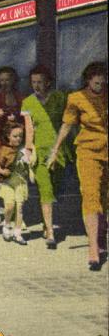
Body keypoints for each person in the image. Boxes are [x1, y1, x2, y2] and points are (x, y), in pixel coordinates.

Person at [48, 61, 107, 271]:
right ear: (88, 79)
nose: (100, 83)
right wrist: (55, 150)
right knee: (90, 196)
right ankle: (93, 246)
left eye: (103, 79)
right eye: (96, 79)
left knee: (104, 198)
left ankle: (101, 238)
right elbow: (67, 125)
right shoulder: (77, 98)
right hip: (88, 151)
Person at [21, 65, 71, 249]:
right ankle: (50, 231)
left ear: (48, 82)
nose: (37, 85)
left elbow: (68, 122)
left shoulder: (60, 98)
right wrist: (28, 149)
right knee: (46, 189)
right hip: (40, 152)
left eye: (40, 82)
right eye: (34, 82)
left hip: (59, 152)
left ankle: (45, 222)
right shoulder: (28, 102)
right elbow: (29, 128)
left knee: (57, 188)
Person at [0, 66, 34, 224]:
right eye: (2, 79)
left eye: (8, 79)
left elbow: (27, 120)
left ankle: (16, 213)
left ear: (14, 80)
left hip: (14, 142)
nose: (5, 82)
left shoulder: (21, 97)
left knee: (16, 175)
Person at [0, 121, 33, 245]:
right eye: (15, 136)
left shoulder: (24, 150)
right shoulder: (3, 149)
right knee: (9, 205)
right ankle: (6, 225)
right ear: (8, 136)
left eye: (20, 136)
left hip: (20, 181)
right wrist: (1, 170)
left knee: (20, 207)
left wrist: (29, 158)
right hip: (7, 181)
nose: (18, 139)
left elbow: (30, 163)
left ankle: (18, 232)